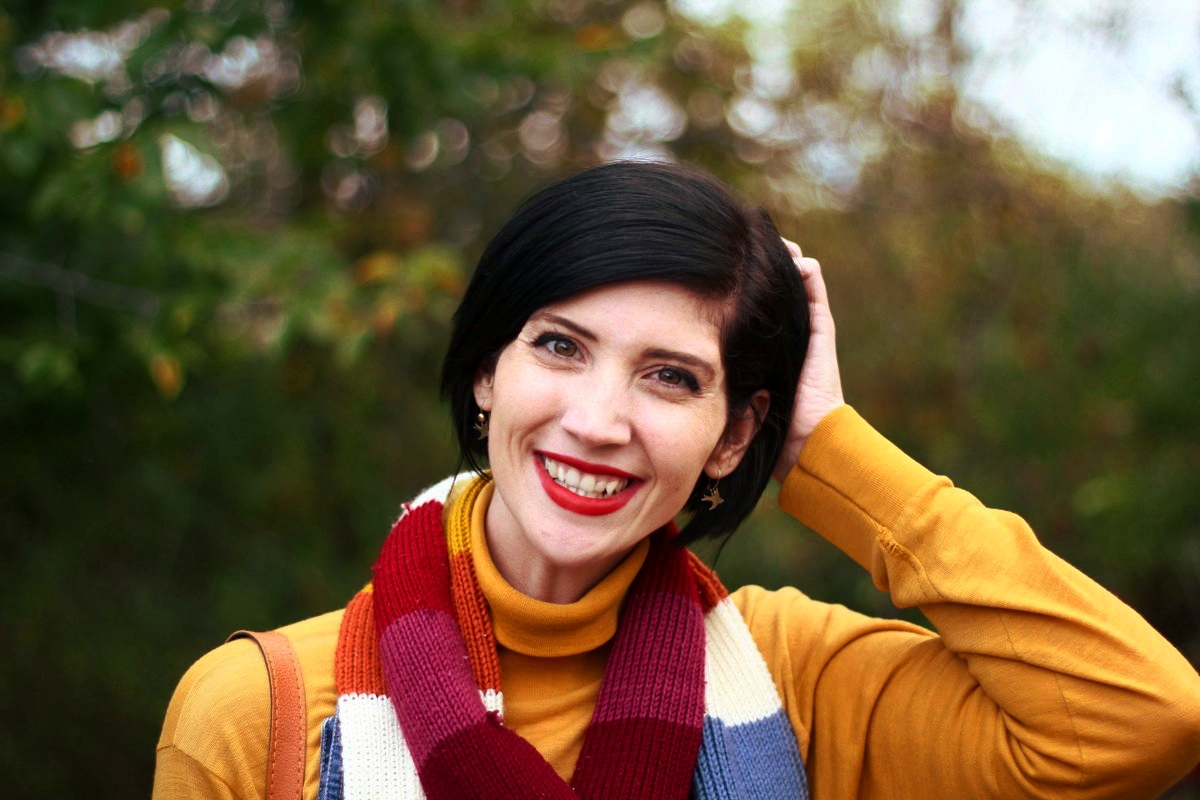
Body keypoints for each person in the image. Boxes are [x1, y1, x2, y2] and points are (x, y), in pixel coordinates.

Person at [153, 161, 1200, 799]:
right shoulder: (263, 708)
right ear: (487, 368)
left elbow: (1143, 716)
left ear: (735, 432)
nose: (600, 420)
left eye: (670, 376)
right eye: (561, 347)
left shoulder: (801, 684)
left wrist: (828, 444)